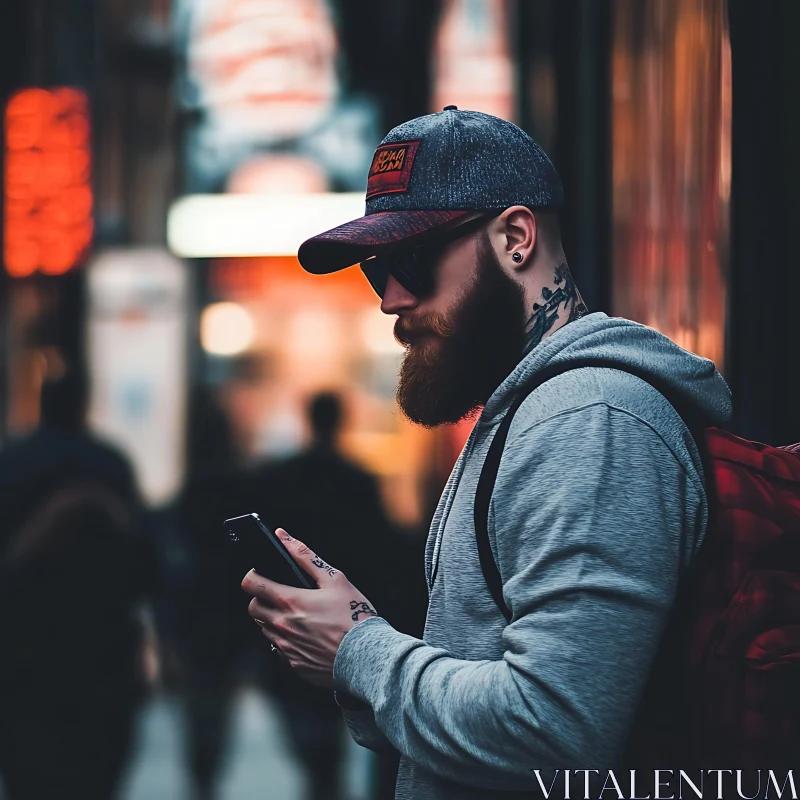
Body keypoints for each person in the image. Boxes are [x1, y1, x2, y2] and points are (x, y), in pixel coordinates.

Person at [241, 108, 733, 799]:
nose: (391, 299)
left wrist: (361, 651)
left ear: (516, 237)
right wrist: (351, 647)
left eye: (410, 261)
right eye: (377, 271)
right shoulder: (526, 414)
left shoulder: (588, 418)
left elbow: (555, 732)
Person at [0, 366, 149, 800]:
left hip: (23, 638)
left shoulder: (12, 461)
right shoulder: (109, 463)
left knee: (28, 767)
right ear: (84, 404)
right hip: (99, 638)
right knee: (96, 771)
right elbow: (140, 558)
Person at [249, 391, 400, 800]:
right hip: (344, 620)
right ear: (339, 421)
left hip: (288, 615)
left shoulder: (278, 477)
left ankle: (321, 779)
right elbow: (382, 553)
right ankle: (325, 778)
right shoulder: (358, 480)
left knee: (307, 726)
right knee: (337, 715)